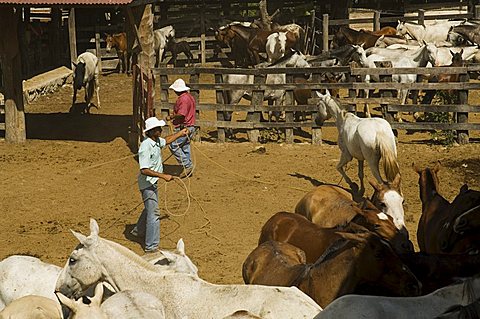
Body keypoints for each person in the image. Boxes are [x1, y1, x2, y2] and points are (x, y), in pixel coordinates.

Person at [131, 116, 189, 253]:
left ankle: (137, 231)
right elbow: (144, 169)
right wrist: (163, 176)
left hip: (152, 183)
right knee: (154, 213)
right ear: (151, 131)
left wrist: (180, 134)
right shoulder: (145, 147)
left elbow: (166, 141)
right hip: (147, 184)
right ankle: (151, 247)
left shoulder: (156, 141)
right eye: (157, 129)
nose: (160, 130)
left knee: (150, 207)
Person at [166, 78, 196, 178]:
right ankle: (188, 167)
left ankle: (187, 165)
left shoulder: (183, 99)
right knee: (185, 147)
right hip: (190, 126)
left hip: (184, 127)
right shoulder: (189, 97)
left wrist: (171, 117)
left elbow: (182, 114)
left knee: (173, 145)